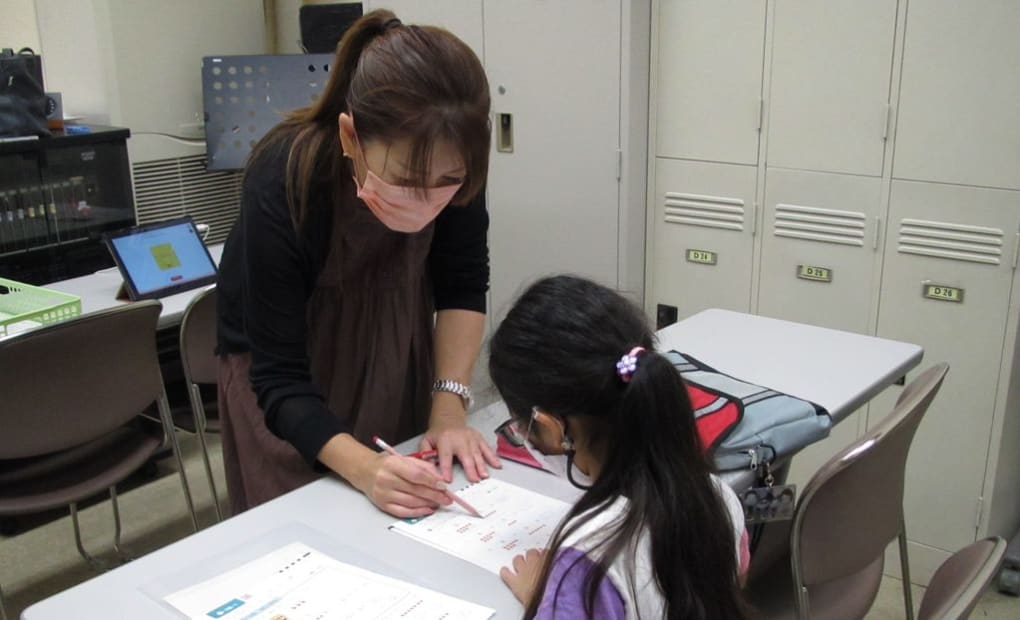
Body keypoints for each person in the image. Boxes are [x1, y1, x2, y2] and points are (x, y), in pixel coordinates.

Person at [215, 9, 500, 517]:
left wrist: (448, 408)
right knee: (308, 528)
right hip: (288, 381)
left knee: (404, 509)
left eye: (446, 181)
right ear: (350, 137)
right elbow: (278, 380)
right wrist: (366, 469)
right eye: (405, 180)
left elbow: (463, 283)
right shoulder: (286, 176)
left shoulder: (457, 158)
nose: (428, 198)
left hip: (393, 350)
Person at [489, 276, 750, 620]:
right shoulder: (719, 497)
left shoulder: (587, 567)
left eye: (522, 427)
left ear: (553, 428)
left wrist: (544, 600)